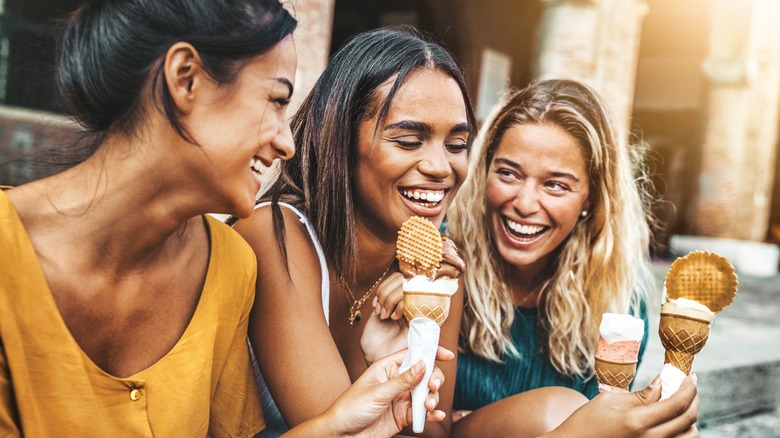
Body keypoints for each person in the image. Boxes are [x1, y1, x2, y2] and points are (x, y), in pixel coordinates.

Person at [0, 1, 451, 436]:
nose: (286, 142)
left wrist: (352, 423)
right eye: (275, 101)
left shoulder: (228, 265)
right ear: (186, 79)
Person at [233, 27, 473, 437]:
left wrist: (408, 348)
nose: (440, 167)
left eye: (456, 145)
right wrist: (378, 368)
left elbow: (429, 433)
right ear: (340, 140)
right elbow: (339, 430)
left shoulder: (436, 275)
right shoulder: (273, 235)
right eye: (409, 140)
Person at [446, 79, 699, 436]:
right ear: (483, 171)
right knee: (559, 410)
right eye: (508, 173)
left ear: (590, 200)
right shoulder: (439, 263)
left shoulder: (618, 301)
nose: (524, 203)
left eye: (556, 185)